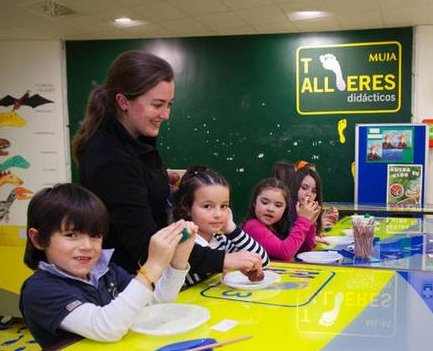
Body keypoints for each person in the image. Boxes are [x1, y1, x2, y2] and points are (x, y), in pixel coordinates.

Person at [72, 51, 260, 277]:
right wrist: (223, 259)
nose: (166, 114)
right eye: (158, 104)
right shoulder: (110, 158)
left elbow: (136, 192)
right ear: (123, 102)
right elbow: (145, 244)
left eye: (169, 104)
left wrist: (160, 184)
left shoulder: (138, 139)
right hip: (124, 282)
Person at [19, 184, 196, 348]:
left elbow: (154, 305)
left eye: (95, 235)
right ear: (38, 239)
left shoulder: (106, 272)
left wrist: (178, 261)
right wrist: (153, 265)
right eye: (71, 234)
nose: (87, 246)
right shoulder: (40, 290)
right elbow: (107, 327)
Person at [171, 165, 268, 286]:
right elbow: (190, 275)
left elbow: (263, 261)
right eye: (207, 206)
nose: (218, 214)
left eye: (223, 206)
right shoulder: (183, 241)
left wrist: (231, 229)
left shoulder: (220, 239)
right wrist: (225, 263)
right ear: (188, 207)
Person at [243, 178, 320, 260]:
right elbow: (284, 253)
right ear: (255, 203)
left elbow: (303, 251)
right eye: (265, 202)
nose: (270, 209)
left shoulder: (278, 226)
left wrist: (311, 224)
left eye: (278, 205)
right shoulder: (252, 226)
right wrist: (303, 221)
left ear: (285, 209)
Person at [289, 165, 339, 238]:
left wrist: (315, 227)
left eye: (314, 191)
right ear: (295, 186)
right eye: (304, 188)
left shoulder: (312, 211)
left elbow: (307, 247)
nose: (309, 194)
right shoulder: (287, 210)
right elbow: (290, 246)